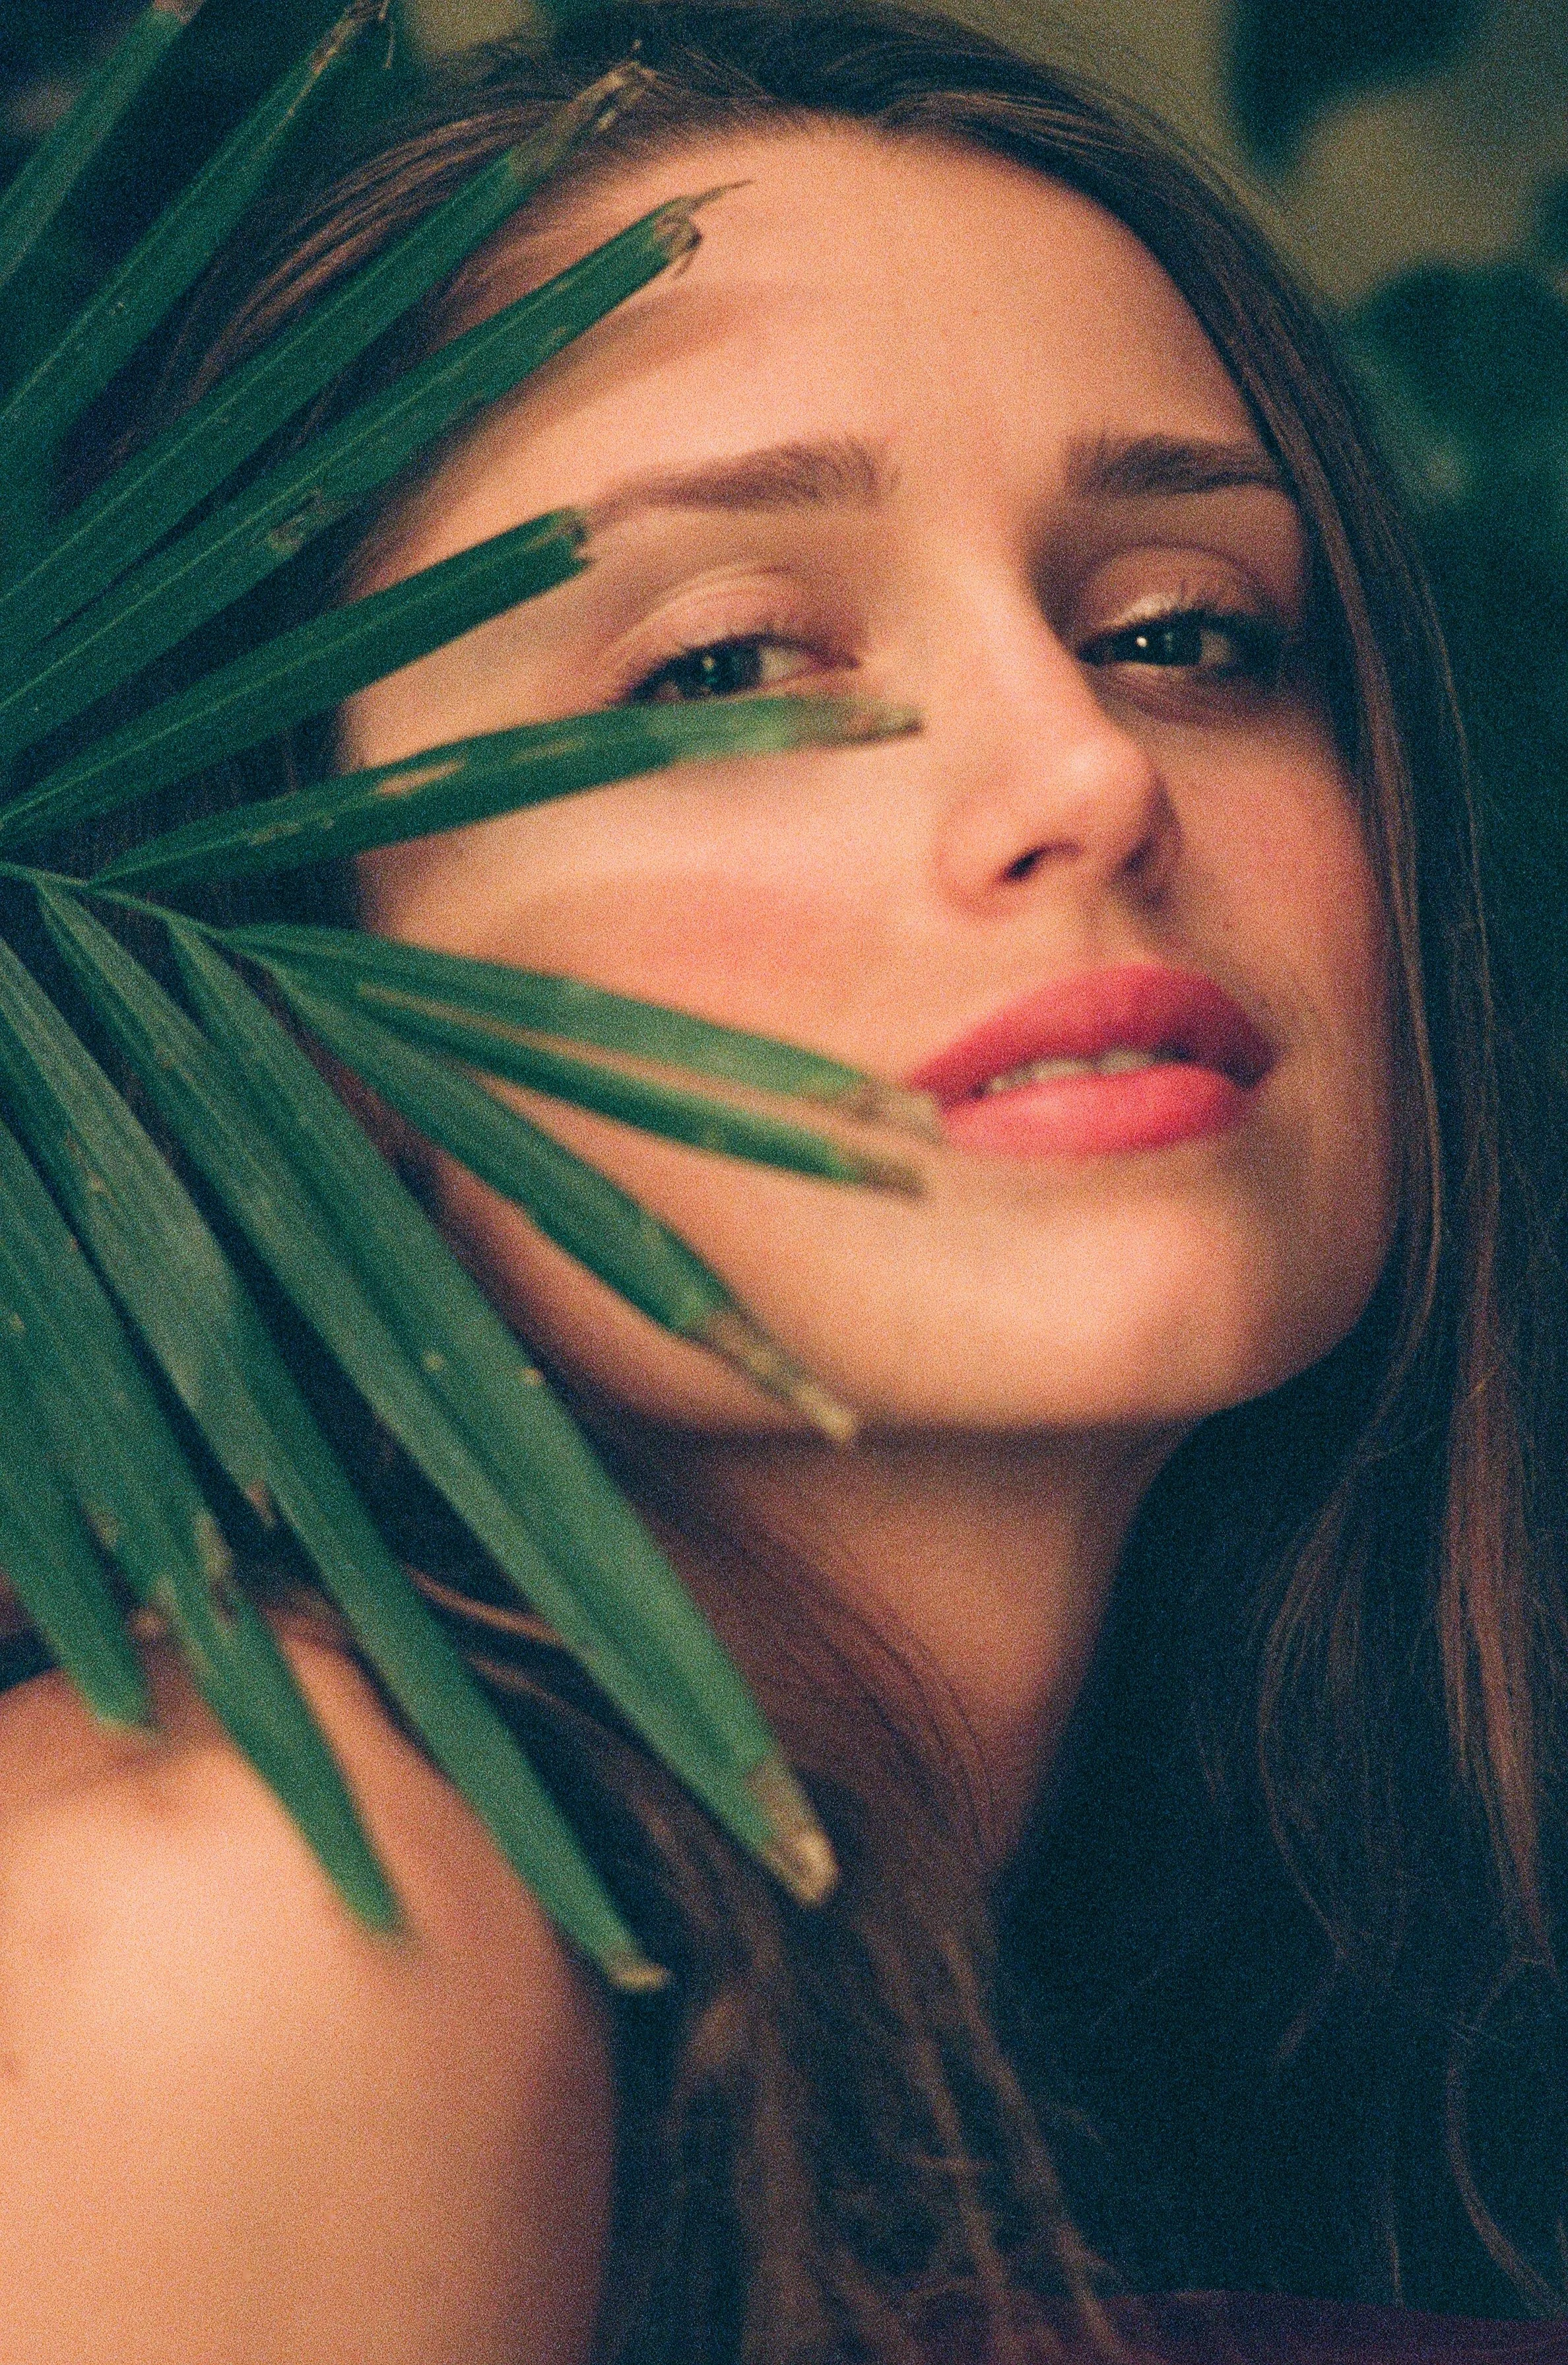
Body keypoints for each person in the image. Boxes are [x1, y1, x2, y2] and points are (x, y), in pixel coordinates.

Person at [1, 4, 1564, 2358]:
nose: (1085, 771)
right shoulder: (270, 1895)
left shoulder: (1305, 1990)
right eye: (729, 665)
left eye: (1186, 634)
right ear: (260, 943)